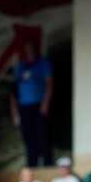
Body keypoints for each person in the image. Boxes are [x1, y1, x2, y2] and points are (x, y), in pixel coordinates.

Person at [11, 39, 53, 167]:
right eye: (27, 47)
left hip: (38, 104)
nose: (29, 50)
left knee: (42, 134)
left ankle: (47, 163)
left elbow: (49, 83)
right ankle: (31, 165)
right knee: (28, 137)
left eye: (31, 47)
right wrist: (14, 110)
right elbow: (13, 89)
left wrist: (45, 103)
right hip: (24, 105)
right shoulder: (21, 66)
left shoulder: (42, 63)